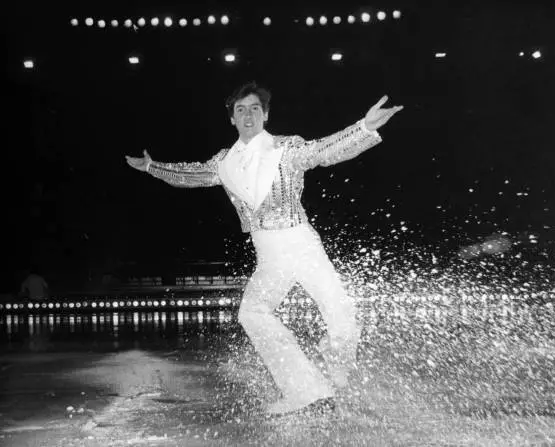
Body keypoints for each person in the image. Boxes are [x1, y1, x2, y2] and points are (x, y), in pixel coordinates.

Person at [126, 82, 403, 415]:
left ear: (266, 114)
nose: (247, 114)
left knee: (342, 318)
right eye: (240, 109)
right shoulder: (223, 162)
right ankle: (305, 389)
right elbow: (192, 175)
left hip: (300, 244)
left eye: (254, 108)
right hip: (268, 254)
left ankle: (336, 366)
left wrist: (364, 128)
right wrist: (152, 167)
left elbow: (323, 151)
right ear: (231, 119)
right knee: (253, 313)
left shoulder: (285, 148)